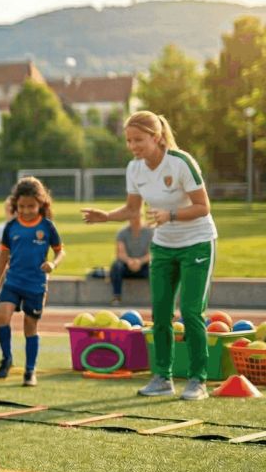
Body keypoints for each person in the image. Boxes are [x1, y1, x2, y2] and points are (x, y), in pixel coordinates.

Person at [83, 111, 218, 401]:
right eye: (129, 141)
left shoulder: (181, 162)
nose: (133, 146)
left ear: (156, 137)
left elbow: (203, 206)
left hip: (197, 243)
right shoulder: (135, 168)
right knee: (160, 313)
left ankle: (198, 380)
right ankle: (163, 378)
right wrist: (106, 216)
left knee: (192, 312)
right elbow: (133, 209)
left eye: (139, 140)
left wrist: (171, 214)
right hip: (163, 246)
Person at [0, 177, 65, 387]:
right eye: (21, 206)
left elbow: (60, 251)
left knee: (29, 327)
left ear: (41, 204)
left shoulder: (47, 227)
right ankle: (7, 358)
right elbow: (3, 257)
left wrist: (53, 264)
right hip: (13, 281)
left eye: (31, 206)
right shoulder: (11, 227)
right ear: (16, 205)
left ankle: (30, 371)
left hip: (36, 285)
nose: (26, 210)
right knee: (1, 316)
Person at [109, 215, 154, 306]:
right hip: (126, 265)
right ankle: (117, 296)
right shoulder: (122, 233)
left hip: (144, 265)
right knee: (116, 266)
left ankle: (156, 298)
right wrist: (129, 261)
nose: (135, 220)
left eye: (137, 217)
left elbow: (152, 253)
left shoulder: (150, 232)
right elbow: (120, 253)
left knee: (155, 268)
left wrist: (139, 262)